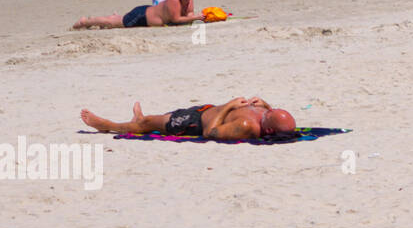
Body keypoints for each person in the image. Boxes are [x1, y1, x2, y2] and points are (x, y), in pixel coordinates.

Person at [81, 97, 296, 142]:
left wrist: (230, 105)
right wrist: (265, 105)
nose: (265, 112)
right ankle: (140, 119)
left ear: (267, 130)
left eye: (267, 115)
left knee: (151, 124)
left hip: (195, 123)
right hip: (204, 110)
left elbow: (210, 133)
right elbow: (270, 116)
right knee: (156, 119)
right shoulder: (265, 117)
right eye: (270, 110)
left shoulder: (247, 126)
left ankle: (107, 125)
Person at [72, 0, 204, 29]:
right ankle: (85, 22)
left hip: (147, 13)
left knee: (116, 20)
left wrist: (198, 17)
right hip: (142, 16)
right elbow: (176, 19)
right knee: (112, 23)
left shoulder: (189, 0)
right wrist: (195, 17)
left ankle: (115, 16)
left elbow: (189, 16)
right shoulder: (174, 0)